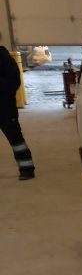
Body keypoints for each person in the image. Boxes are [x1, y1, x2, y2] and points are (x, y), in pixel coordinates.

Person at [0, 45, 34, 180]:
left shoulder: (4, 59)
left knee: (16, 140)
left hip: (4, 107)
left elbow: (14, 82)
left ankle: (27, 169)